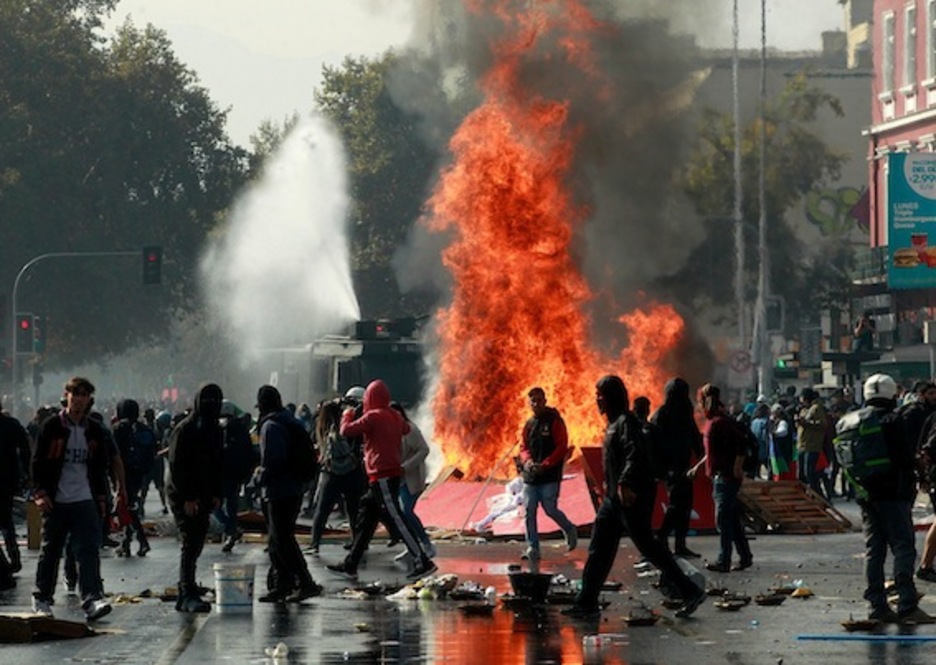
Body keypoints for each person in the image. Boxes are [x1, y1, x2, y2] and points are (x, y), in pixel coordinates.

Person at [562, 375, 705, 620]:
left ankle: (689, 590)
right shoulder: (614, 423)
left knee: (649, 546)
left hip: (630, 497)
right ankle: (586, 601)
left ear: (612, 398)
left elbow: (634, 453)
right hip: (613, 500)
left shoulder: (625, 423)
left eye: (601, 397)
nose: (598, 402)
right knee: (600, 549)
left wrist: (625, 483)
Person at [327, 379, 437, 581]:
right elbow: (405, 429)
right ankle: (352, 562)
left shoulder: (373, 417)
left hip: (382, 475)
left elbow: (346, 431)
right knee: (366, 518)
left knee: (397, 518)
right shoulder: (393, 416)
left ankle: (422, 560)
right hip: (386, 475)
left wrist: (348, 413)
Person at [851, 374, 933, 623]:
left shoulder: (854, 420)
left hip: (865, 493)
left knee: (874, 549)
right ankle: (907, 605)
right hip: (894, 493)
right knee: (903, 547)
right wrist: (920, 471)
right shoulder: (894, 419)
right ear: (891, 394)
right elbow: (904, 457)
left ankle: (877, 606)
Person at [31, 377, 112, 621]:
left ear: (89, 400)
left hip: (83, 498)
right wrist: (40, 494)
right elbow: (37, 463)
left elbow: (98, 467)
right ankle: (42, 597)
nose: (79, 400)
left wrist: (101, 498)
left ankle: (92, 598)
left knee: (88, 549)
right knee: (51, 549)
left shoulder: (94, 430)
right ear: (67, 396)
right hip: (57, 499)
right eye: (75, 394)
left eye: (84, 395)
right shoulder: (52, 426)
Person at [254, 385, 322, 603]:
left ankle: (305, 582)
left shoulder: (271, 426)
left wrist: (257, 478)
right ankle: (282, 584)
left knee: (282, 539)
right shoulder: (289, 422)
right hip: (293, 488)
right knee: (278, 539)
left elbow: (273, 460)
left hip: (278, 490)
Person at [166, 383, 224, 613]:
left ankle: (188, 587)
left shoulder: (214, 429)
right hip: (184, 496)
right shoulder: (186, 429)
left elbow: (219, 462)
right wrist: (188, 497)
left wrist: (216, 493)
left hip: (205, 493)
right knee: (190, 542)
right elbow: (177, 465)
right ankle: (186, 592)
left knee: (198, 541)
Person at [692, 383, 753, 574]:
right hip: (719, 477)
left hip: (725, 478)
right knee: (732, 519)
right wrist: (698, 467)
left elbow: (742, 443)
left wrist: (736, 467)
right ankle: (745, 557)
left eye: (700, 402)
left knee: (723, 521)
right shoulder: (714, 422)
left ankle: (723, 561)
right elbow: (713, 451)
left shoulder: (721, 422)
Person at [517, 387, 577, 561]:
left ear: (545, 400)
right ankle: (533, 547)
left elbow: (561, 446)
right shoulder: (529, 424)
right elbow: (524, 447)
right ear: (529, 403)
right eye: (532, 401)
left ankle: (569, 528)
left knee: (550, 509)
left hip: (549, 475)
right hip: (531, 476)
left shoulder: (554, 421)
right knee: (529, 510)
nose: (536, 404)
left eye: (539, 400)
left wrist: (546, 465)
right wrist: (527, 462)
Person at [651, 378, 704, 558]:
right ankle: (662, 537)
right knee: (676, 506)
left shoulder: (684, 413)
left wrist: (701, 456)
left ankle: (680, 545)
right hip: (670, 468)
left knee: (684, 506)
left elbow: (694, 436)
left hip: (684, 467)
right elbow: (652, 442)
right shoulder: (662, 414)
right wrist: (659, 469)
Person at [307, 400, 363, 554]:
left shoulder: (322, 426)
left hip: (330, 472)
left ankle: (315, 543)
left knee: (322, 509)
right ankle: (357, 542)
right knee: (353, 509)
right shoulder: (345, 424)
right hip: (351, 471)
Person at [391, 401, 435, 561]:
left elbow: (424, 450)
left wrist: (406, 466)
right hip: (398, 478)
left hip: (412, 478)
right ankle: (412, 547)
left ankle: (426, 544)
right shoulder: (390, 431)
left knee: (407, 511)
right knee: (402, 514)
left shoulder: (410, 430)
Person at [112, 399, 155, 557]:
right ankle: (127, 542)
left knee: (127, 506)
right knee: (128, 505)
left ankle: (141, 541)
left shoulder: (119, 428)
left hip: (124, 473)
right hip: (139, 473)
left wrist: (115, 478)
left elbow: (114, 454)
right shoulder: (144, 429)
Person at [216, 399, 255, 553]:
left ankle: (231, 530)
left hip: (224, 474)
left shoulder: (221, 428)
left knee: (216, 506)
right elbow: (249, 452)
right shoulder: (242, 429)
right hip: (235, 474)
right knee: (231, 506)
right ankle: (231, 532)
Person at [0, 400, 29, 586]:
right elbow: (25, 448)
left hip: (6, 481)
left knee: (6, 523)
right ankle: (14, 559)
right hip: (7, 481)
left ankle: (7, 566)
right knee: (6, 523)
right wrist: (26, 473)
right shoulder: (10, 424)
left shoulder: (10, 425)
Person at [795, 388, 827, 497]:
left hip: (812, 445)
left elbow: (822, 424)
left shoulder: (817, 408)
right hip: (802, 445)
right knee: (801, 474)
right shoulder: (804, 409)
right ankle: (804, 496)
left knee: (810, 473)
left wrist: (807, 423)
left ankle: (819, 496)